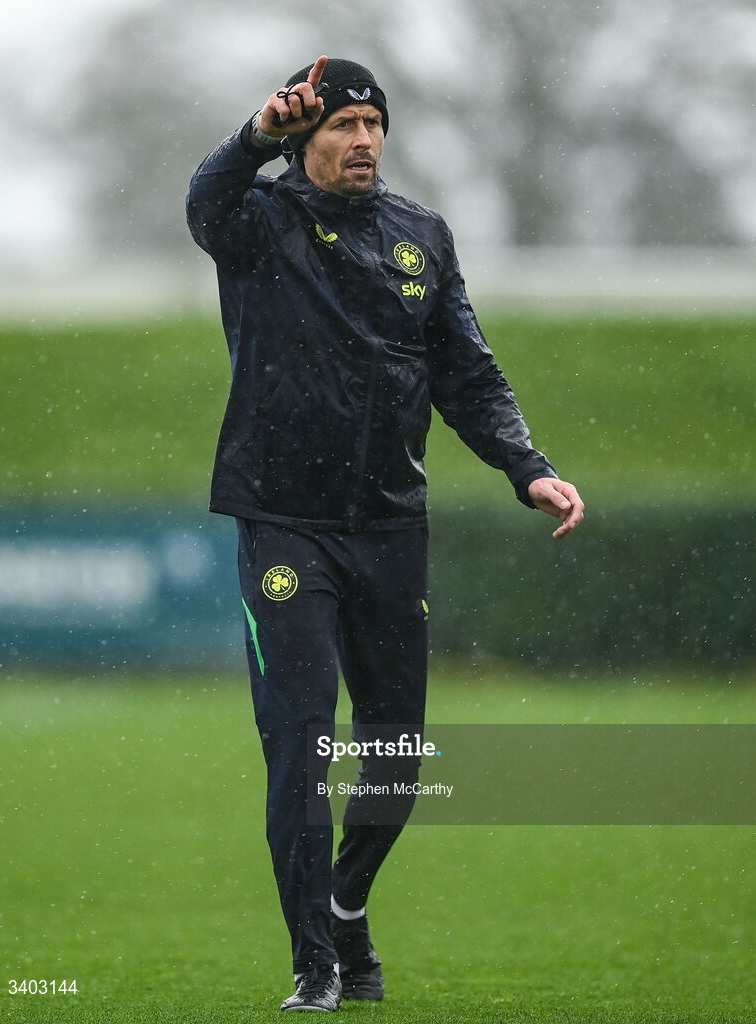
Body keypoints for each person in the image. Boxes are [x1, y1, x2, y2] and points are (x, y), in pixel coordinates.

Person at [186, 55, 584, 1013]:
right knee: (300, 744)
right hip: (283, 524)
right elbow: (205, 201)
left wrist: (527, 466)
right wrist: (253, 135)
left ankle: (346, 903)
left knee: (397, 759)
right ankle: (315, 965)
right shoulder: (259, 223)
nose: (362, 141)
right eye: (342, 127)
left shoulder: (423, 236)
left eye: (373, 126)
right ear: (305, 139)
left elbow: (469, 373)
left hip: (390, 528)